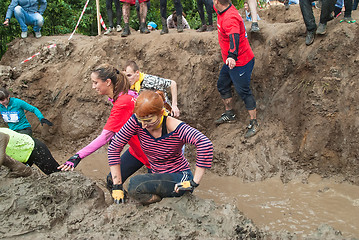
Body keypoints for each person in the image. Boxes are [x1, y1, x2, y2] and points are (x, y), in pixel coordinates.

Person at [107, 90, 213, 205]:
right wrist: (117, 185)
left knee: (135, 185)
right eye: (140, 120)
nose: (143, 125)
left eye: (148, 121)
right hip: (156, 174)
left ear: (161, 113)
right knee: (111, 180)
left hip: (179, 177)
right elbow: (114, 147)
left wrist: (194, 182)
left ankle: (161, 202)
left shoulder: (174, 127)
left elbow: (205, 143)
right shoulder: (137, 121)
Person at [57, 64, 150, 190]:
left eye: (95, 82)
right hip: (137, 151)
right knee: (112, 179)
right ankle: (120, 205)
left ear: (107, 82)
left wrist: (78, 156)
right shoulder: (127, 94)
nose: (93, 87)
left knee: (148, 192)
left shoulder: (122, 103)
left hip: (152, 155)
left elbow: (105, 137)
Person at [213, 0, 259, 139]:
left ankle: (254, 123)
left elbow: (234, 38)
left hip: (240, 62)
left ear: (217, 2)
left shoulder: (230, 18)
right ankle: (230, 113)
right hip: (230, 62)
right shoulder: (222, 8)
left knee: (243, 92)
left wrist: (232, 56)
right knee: (222, 85)